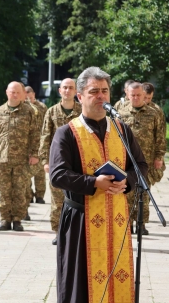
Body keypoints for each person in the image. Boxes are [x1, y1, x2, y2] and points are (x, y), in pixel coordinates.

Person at [49, 67, 148, 303]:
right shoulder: (67, 133)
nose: (101, 96)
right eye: (94, 91)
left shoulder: (122, 130)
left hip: (117, 219)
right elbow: (58, 175)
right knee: (81, 285)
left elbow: (140, 165)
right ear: (80, 96)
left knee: (118, 280)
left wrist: (128, 182)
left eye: (105, 91)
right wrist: (95, 183)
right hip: (81, 220)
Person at [0, 81, 39, 231]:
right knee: (4, 190)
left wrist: (35, 154)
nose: (14, 95)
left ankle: (17, 219)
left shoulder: (29, 112)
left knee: (20, 191)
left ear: (23, 94)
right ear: (7, 92)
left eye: (17, 92)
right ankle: (4, 219)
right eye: (12, 92)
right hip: (3, 159)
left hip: (22, 160)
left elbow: (35, 135)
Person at [117, 82, 166, 235]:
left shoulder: (154, 113)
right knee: (127, 191)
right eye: (133, 95)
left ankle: (141, 223)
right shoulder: (120, 113)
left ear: (144, 96)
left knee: (144, 193)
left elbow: (160, 136)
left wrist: (159, 156)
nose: (136, 98)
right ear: (128, 95)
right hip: (126, 160)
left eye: (139, 95)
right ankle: (128, 223)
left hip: (146, 160)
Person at [38, 78, 82, 245]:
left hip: (78, 163)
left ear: (76, 91)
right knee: (57, 200)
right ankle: (58, 232)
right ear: (59, 91)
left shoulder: (82, 110)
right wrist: (45, 161)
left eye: (71, 88)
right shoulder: (51, 112)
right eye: (64, 88)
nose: (67, 91)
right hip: (57, 163)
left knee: (77, 199)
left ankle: (76, 233)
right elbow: (45, 137)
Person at [24, 86, 48, 204]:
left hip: (40, 142)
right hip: (27, 144)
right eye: (25, 93)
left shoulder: (42, 107)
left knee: (40, 172)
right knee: (27, 171)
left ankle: (40, 195)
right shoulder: (23, 107)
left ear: (34, 93)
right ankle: (28, 194)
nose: (28, 95)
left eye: (30, 93)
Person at [143, 82, 167, 185]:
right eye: (145, 97)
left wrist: (159, 157)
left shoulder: (156, 110)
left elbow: (161, 134)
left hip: (149, 153)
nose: (147, 101)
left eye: (150, 98)